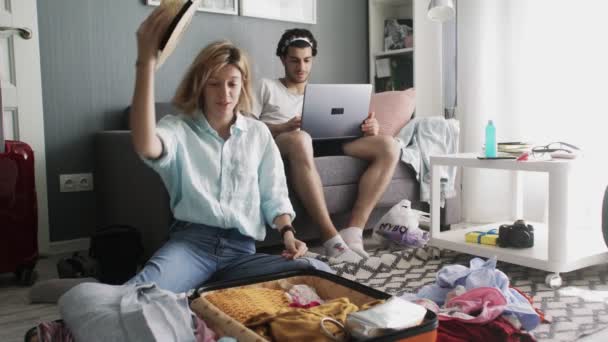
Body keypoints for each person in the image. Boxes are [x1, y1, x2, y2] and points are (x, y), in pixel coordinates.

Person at [127, 8, 330, 293]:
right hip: (192, 246)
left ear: (243, 85)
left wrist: (287, 235)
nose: (225, 95)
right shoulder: (178, 128)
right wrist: (146, 64)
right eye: (214, 84)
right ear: (200, 86)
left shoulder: (258, 133)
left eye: (232, 84)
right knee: (138, 296)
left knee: (319, 271)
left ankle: (204, 289)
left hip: (241, 253)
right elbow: (146, 145)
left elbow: (274, 195)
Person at [254, 29, 400, 263]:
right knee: (302, 138)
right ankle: (330, 239)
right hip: (286, 141)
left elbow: (351, 124)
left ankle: (353, 232)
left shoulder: (321, 94)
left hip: (329, 140)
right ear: (283, 59)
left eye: (306, 60)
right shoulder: (266, 86)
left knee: (389, 146)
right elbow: (247, 125)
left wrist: (368, 127)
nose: (301, 67)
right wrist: (284, 127)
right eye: (294, 60)